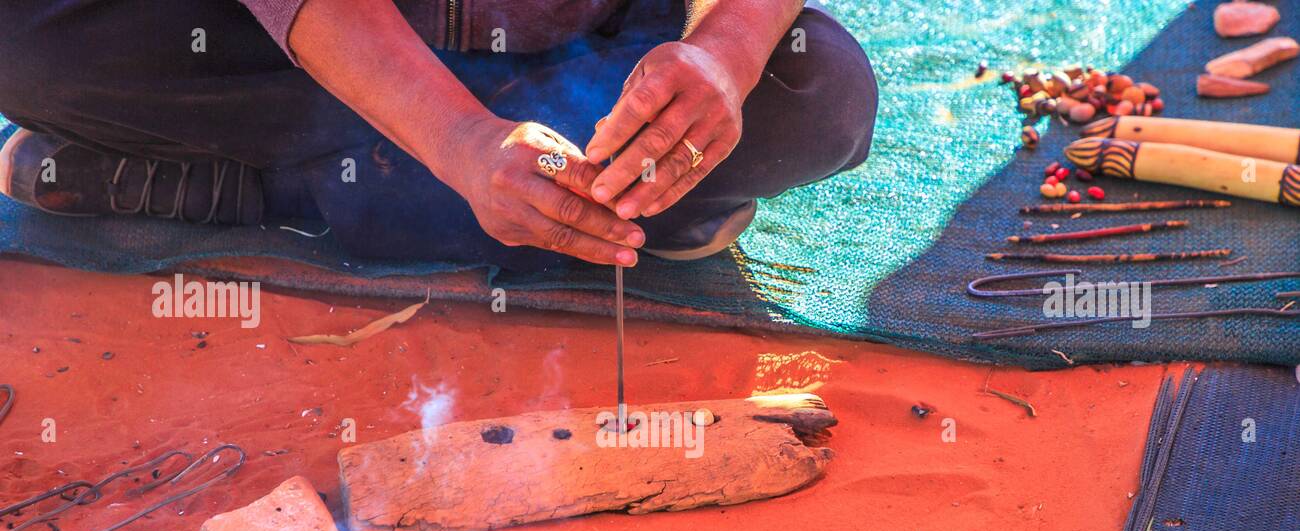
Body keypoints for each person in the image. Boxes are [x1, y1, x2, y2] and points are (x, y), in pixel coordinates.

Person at [0, 0, 876, 270]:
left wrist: (723, 54)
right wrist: (458, 141)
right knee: (27, 39)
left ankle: (278, 188)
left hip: (596, 45)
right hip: (314, 48)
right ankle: (378, 181)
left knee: (819, 93)